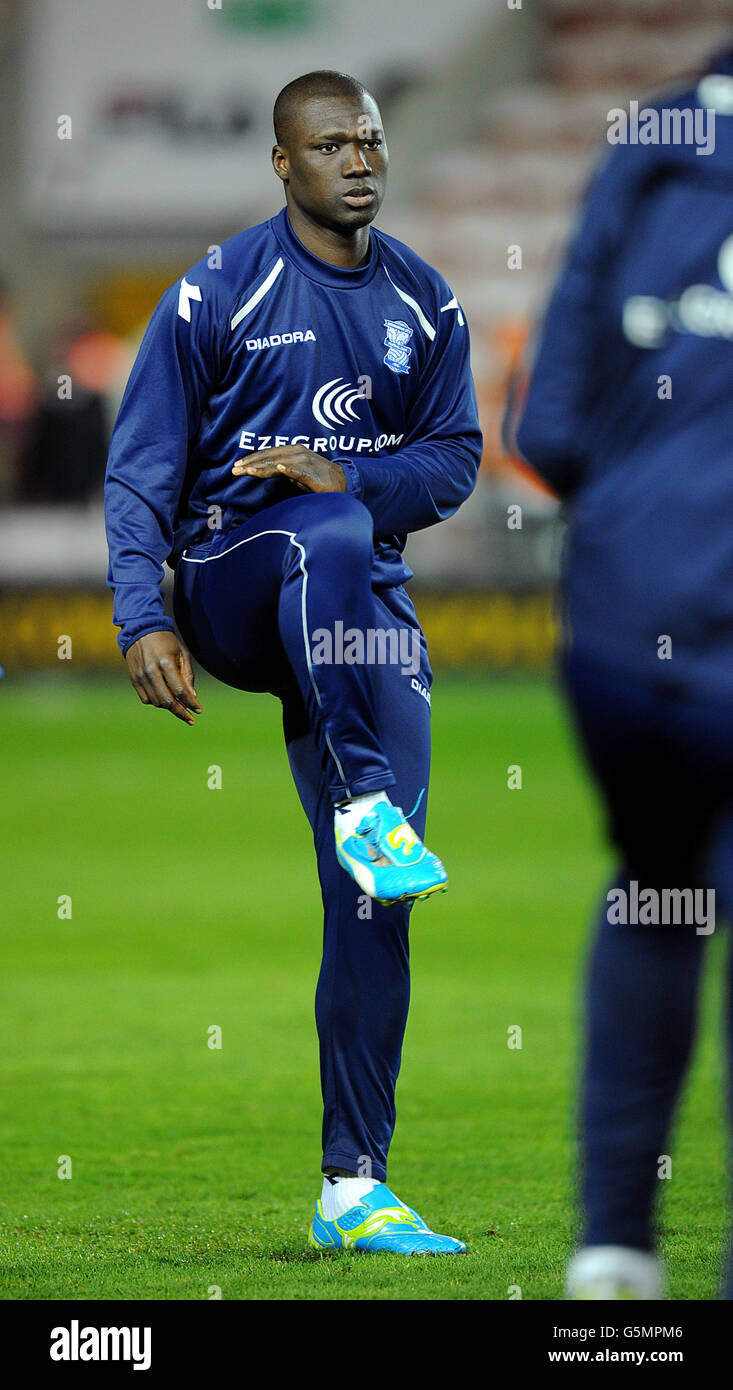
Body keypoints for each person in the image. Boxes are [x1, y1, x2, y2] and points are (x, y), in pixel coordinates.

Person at [105, 70, 482, 1254]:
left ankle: (351, 1185)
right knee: (321, 526)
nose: (358, 160)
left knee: (376, 898)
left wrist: (353, 475)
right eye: (330, 146)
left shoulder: (426, 302)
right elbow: (140, 468)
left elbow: (457, 457)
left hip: (361, 614)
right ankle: (364, 797)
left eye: (369, 140)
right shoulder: (220, 288)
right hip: (232, 585)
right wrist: (138, 615)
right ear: (284, 163)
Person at [507, 47, 733, 1300]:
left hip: (616, 630)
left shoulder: (652, 134)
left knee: (655, 887)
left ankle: (610, 1252)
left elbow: (544, 426)